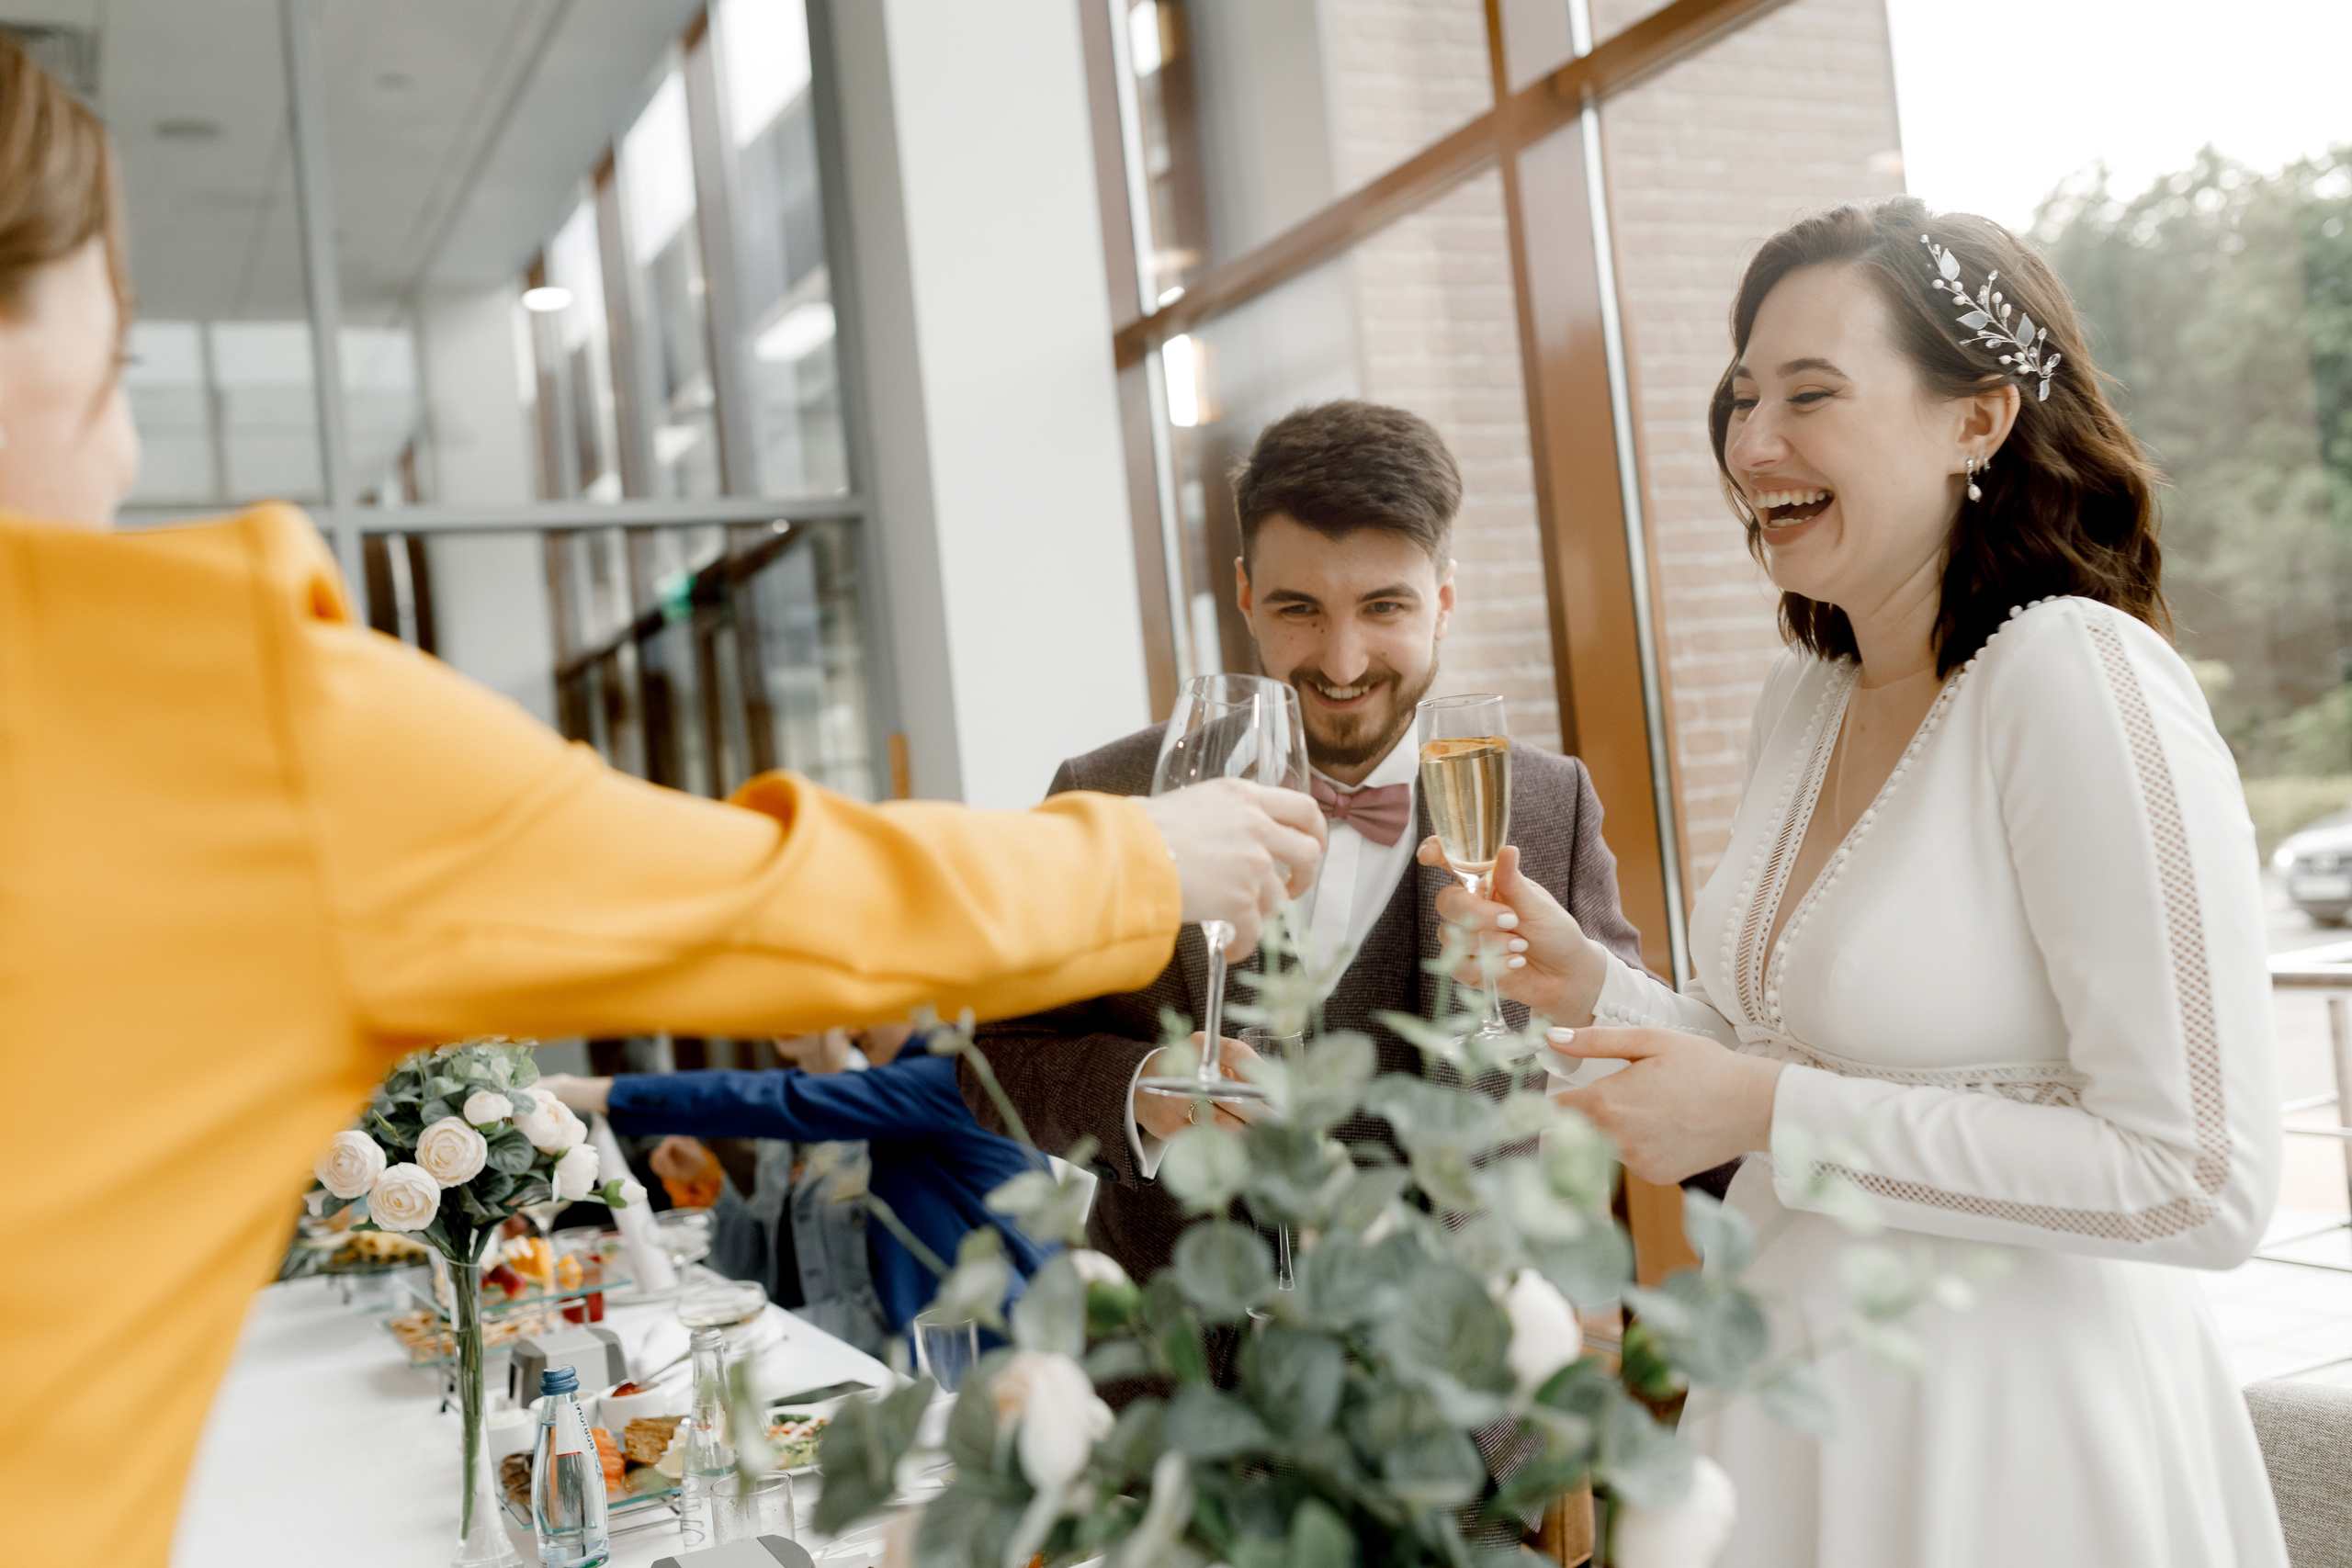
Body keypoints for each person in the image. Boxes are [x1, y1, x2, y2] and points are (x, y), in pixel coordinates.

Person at [0, 39, 1326, 1568]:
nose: (126, 449)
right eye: (115, 367)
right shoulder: (208, 702)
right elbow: (766, 898)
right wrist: (1143, 857)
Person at [1439, 197, 2287, 1565]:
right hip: (1794, 1397)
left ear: (1978, 419)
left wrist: (1766, 1109)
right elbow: (1784, 1052)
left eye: (1811, 394)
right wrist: (1591, 985)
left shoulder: (2074, 677)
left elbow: (2198, 1179)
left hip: (2013, 1436)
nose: (1750, 443)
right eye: (1743, 395)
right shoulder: (1804, 696)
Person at [961, 400, 1646, 1283]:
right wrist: (1140, 1088)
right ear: (1247, 595)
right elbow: (995, 1055)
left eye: (1384, 606)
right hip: (1183, 1353)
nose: (1344, 662)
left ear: (1442, 601)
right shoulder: (1111, 792)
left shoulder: (1548, 803)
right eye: (1300, 609)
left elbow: (1630, 1048)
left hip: (1464, 1352)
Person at [538, 1021, 1053, 1350]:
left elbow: (778, 1100)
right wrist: (711, 1187)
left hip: (988, 1343)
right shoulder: (805, 1126)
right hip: (911, 1349)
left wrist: (584, 1090)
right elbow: (763, 1270)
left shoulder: (941, 1079)